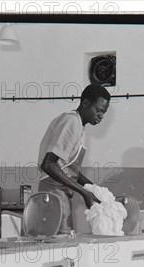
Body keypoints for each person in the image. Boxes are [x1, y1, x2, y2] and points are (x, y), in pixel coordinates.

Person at [37, 84, 110, 233]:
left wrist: (94, 188)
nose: (101, 116)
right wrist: (85, 193)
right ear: (85, 103)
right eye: (99, 110)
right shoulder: (72, 122)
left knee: (63, 243)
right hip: (53, 194)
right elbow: (49, 164)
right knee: (59, 245)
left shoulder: (79, 126)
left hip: (60, 193)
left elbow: (69, 170)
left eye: (104, 112)